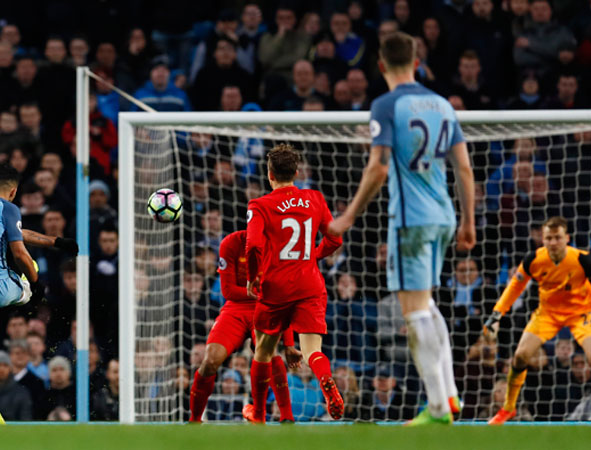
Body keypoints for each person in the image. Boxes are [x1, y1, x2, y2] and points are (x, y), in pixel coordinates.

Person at [328, 31, 476, 426]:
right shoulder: (443, 104)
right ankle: (450, 396)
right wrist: (469, 221)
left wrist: (348, 216)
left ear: (380, 65)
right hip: (444, 215)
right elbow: (463, 167)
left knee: (413, 314)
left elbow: (377, 166)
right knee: (426, 304)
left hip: (411, 219)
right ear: (416, 62)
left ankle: (438, 408)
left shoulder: (386, 104)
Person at [0, 162, 77, 424]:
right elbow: (18, 251)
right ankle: (26, 295)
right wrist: (37, 284)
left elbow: (17, 231)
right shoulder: (8, 208)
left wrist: (54, 242)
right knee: (28, 267)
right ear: (13, 192)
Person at [483, 216, 591, 425]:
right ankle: (508, 408)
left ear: (566, 238)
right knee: (520, 357)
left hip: (580, 314)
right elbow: (515, 287)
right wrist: (496, 315)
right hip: (547, 314)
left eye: (557, 237)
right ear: (543, 239)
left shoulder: (582, 259)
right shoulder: (533, 259)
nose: (553, 242)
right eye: (548, 238)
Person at [242, 143, 343, 423]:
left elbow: (252, 246)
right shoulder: (315, 198)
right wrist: (313, 256)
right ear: (296, 172)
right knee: (313, 351)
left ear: (270, 174)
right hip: (310, 285)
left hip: (276, 288)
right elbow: (336, 239)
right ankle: (326, 383)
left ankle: (259, 415)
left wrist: (252, 277)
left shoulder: (260, 205)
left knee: (262, 351)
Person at [189, 229, 301, 423]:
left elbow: (284, 300)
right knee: (211, 359)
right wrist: (261, 294)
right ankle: (195, 419)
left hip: (267, 309)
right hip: (236, 309)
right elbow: (228, 291)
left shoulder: (279, 249)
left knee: (271, 354)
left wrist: (289, 344)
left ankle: (286, 417)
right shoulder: (230, 244)